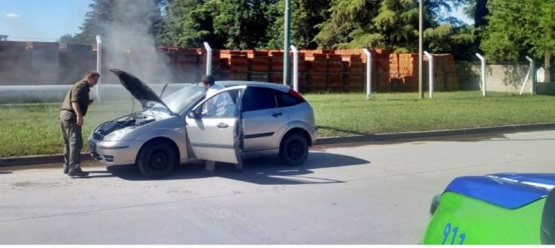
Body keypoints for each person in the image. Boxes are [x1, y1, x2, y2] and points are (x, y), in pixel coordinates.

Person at [59, 71, 100, 177]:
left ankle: (67, 166)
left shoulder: (82, 86)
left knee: (68, 143)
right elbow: (74, 101)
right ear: (89, 78)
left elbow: (77, 100)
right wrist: (79, 116)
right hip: (71, 115)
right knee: (75, 143)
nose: (96, 83)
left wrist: (86, 103)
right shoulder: (81, 86)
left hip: (66, 115)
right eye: (95, 80)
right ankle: (74, 168)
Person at [201, 75, 243, 174]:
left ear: (207, 84)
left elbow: (208, 110)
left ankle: (209, 168)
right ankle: (239, 166)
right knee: (233, 143)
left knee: (213, 143)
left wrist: (202, 114)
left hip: (219, 120)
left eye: (203, 84)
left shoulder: (211, 93)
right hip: (231, 119)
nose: (202, 85)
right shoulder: (220, 87)